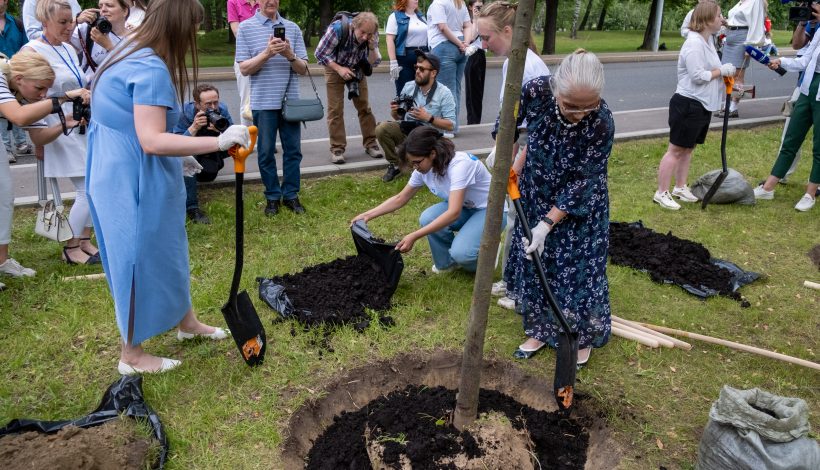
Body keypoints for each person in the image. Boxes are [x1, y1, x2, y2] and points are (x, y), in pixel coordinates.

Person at [87, 0, 250, 374]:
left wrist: (182, 156)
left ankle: (186, 321)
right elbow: (152, 140)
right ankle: (132, 354)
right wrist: (219, 142)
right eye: (193, 30)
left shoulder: (128, 46)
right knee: (135, 254)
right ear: (179, 28)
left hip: (126, 165)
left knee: (168, 245)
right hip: (132, 173)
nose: (194, 38)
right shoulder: (149, 66)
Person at [503, 50, 613, 366]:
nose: (579, 113)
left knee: (578, 273)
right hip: (536, 191)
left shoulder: (602, 123)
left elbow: (584, 180)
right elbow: (513, 126)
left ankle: (578, 339)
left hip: (580, 207)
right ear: (556, 89)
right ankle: (539, 330)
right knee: (539, 263)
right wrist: (512, 162)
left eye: (588, 106)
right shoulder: (535, 91)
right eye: (570, 105)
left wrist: (547, 224)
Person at [475, 0, 550, 309]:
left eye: (486, 37)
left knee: (523, 220)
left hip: (532, 158)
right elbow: (511, 118)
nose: (482, 44)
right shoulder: (512, 62)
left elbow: (537, 130)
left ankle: (520, 289)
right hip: (516, 153)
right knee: (512, 219)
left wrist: (515, 166)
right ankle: (510, 281)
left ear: (508, 31)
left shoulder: (530, 68)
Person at [352, 126, 501, 273]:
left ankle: (486, 255)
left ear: (433, 153)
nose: (415, 167)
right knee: (428, 218)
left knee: (462, 253)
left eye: (417, 162)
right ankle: (447, 264)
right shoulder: (424, 169)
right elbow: (400, 198)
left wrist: (415, 236)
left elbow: (453, 213)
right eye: (412, 163)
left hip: (489, 209)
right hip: (465, 207)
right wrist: (367, 215)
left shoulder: (460, 165)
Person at [0, 49, 87, 291]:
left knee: (4, 196)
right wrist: (62, 98)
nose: (44, 94)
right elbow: (17, 117)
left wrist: (64, 123)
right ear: (19, 80)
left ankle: (2, 261)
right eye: (40, 88)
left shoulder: (30, 98)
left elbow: (39, 137)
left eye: (48, 89)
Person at [24, 0, 99, 265]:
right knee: (87, 189)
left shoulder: (67, 48)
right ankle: (71, 247)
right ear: (44, 22)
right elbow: (30, 95)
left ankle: (84, 241)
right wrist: (38, 135)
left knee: (93, 187)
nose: (70, 27)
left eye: (71, 20)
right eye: (63, 22)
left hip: (78, 125)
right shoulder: (33, 50)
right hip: (57, 127)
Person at [654, 1, 734, 210]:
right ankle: (661, 192)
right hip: (688, 104)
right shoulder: (694, 43)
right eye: (718, 16)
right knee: (676, 149)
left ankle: (680, 187)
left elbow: (711, 70)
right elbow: (698, 76)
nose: (721, 19)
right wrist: (721, 71)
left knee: (688, 149)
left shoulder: (707, 40)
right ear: (707, 20)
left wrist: (727, 81)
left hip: (702, 104)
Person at [236, 0, 309, 216]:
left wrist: (289, 55)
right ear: (256, 1)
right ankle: (272, 197)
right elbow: (244, 68)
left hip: (290, 102)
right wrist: (267, 52)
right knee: (266, 152)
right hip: (263, 102)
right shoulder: (246, 28)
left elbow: (303, 68)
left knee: (293, 151)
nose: (271, 1)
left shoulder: (293, 28)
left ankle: (291, 195)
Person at [754, 31, 820, 211]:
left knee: (819, 147)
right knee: (791, 139)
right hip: (808, 87)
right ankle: (768, 187)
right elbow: (805, 60)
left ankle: (810, 194)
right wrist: (781, 61)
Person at [376, 50, 456, 183]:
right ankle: (396, 164)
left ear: (433, 73)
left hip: (428, 136)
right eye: (416, 67)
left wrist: (428, 118)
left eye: (422, 69)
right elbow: (397, 118)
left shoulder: (444, 93)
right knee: (382, 128)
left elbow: (450, 124)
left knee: (423, 137)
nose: (417, 71)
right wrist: (395, 111)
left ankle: (417, 163)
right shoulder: (409, 86)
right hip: (407, 130)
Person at [315, 11, 384, 164]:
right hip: (334, 66)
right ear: (354, 26)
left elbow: (374, 62)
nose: (365, 37)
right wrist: (339, 69)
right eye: (362, 32)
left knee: (364, 107)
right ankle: (337, 148)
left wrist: (372, 48)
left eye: (369, 33)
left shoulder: (372, 36)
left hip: (357, 66)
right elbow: (319, 54)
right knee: (335, 109)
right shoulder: (337, 30)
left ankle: (371, 144)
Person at [172, 83, 234, 224]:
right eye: (208, 104)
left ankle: (202, 172)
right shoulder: (184, 113)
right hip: (189, 150)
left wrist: (220, 131)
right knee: (188, 158)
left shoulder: (222, 109)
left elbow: (234, 136)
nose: (213, 107)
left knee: (209, 174)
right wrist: (194, 127)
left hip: (209, 150)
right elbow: (176, 145)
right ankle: (192, 207)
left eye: (215, 102)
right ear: (197, 104)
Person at [427, 0, 472, 136]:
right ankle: (453, 125)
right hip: (461, 48)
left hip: (444, 46)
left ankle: (447, 128)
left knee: (445, 89)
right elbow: (468, 25)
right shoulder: (460, 3)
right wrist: (465, 43)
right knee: (456, 88)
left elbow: (442, 27)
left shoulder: (438, 3)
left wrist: (460, 44)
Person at [717, 0, 765, 118]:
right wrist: (726, 22)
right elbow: (736, 21)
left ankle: (733, 106)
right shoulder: (740, 2)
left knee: (738, 75)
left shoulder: (755, 1)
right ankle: (728, 103)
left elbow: (757, 22)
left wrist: (751, 45)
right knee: (727, 73)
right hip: (730, 36)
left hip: (743, 38)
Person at [0, 0, 33, 162]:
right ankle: (5, 148)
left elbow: (26, 47)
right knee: (1, 112)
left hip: (16, 74)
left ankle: (21, 143)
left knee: (18, 104)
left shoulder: (17, 24)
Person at [70, 0, 128, 83]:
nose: (103, 9)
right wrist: (76, 20)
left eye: (109, 5)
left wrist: (109, 46)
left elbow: (133, 69)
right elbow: (60, 41)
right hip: (88, 90)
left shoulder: (136, 38)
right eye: (100, 6)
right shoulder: (90, 29)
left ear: (125, 11)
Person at [385, 0, 427, 97]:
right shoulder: (395, 16)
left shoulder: (421, 16)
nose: (417, 0)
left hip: (423, 57)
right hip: (405, 58)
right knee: (404, 93)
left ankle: (420, 112)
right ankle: (403, 112)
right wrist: (393, 62)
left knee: (423, 93)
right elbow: (389, 39)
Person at [227, 0, 259, 126]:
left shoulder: (263, 2)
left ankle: (264, 140)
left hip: (265, 56)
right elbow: (237, 32)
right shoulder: (233, 2)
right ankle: (247, 142)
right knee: (246, 101)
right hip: (244, 57)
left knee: (265, 101)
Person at [22, 0, 96, 41]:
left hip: (74, 51)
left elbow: (80, 26)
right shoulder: (31, 1)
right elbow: (33, 35)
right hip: (48, 54)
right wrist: (75, 21)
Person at [463, 0, 485, 125]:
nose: (479, 10)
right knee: (472, 91)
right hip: (471, 54)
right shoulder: (468, 22)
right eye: (477, 7)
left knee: (479, 91)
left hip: (481, 54)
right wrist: (475, 20)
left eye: (481, 7)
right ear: (470, 7)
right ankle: (472, 121)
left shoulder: (482, 20)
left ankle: (477, 120)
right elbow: (471, 38)